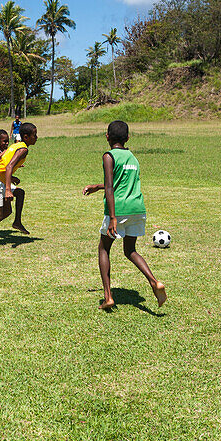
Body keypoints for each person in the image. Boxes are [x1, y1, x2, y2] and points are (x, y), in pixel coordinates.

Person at [82, 120, 167, 311]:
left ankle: (108, 297)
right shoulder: (133, 158)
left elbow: (112, 187)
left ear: (107, 137)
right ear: (128, 138)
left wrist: (112, 217)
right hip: (137, 207)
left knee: (104, 248)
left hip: (118, 210)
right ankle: (154, 282)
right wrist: (98, 186)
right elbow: (123, 182)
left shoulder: (108, 156)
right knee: (130, 250)